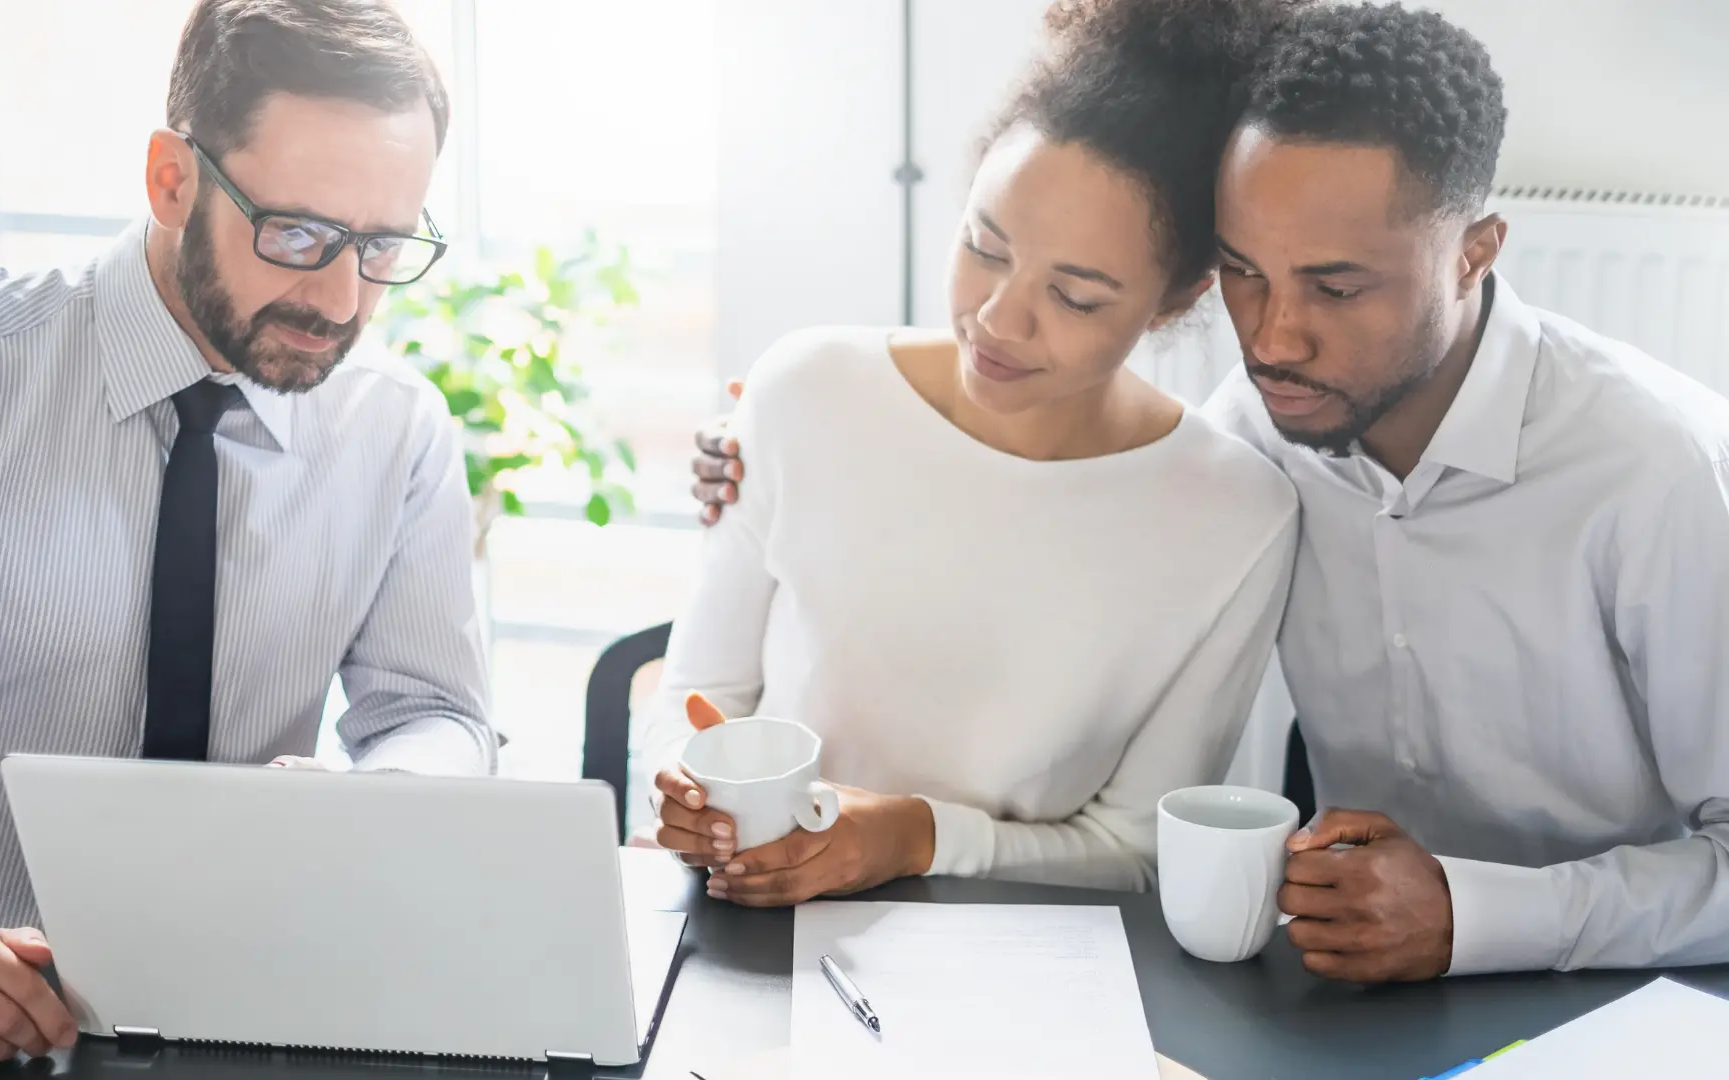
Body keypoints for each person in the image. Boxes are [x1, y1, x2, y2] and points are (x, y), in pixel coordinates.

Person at [695, 2, 1729, 982]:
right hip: (1350, 977)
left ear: (1473, 254)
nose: (1274, 338)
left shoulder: (1657, 475)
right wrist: (755, 454)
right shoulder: (1261, 441)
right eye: (1244, 272)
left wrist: (1474, 915)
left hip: (1625, 994)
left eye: (1336, 286)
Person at [0, 2, 494, 1076]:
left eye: (384, 246)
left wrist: (372, 805)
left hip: (249, 1013)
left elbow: (437, 713)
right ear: (172, 179)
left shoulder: (397, 430)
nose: (339, 296)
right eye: (300, 235)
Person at [642, 0, 1304, 911]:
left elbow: (1135, 852)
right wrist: (683, 792)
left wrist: (915, 838)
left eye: (1074, 297)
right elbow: (692, 706)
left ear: (1177, 296)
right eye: (983, 247)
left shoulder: (1237, 518)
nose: (997, 318)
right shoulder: (806, 390)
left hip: (1020, 966)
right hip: (755, 932)